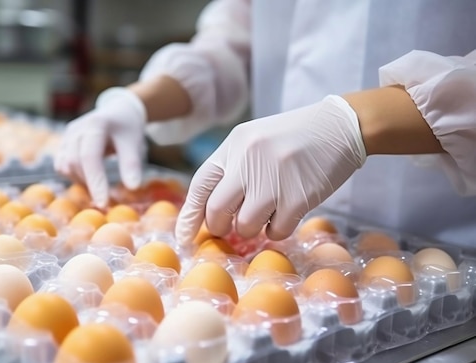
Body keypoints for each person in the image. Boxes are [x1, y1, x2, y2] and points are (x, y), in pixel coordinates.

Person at [54, 0, 476, 250]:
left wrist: (352, 124)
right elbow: (231, 44)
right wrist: (136, 102)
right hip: (282, 238)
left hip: (441, 239)